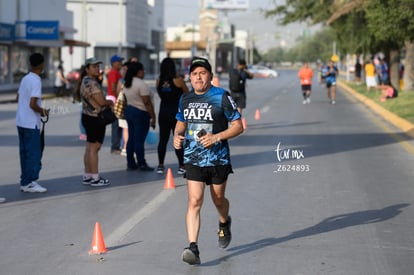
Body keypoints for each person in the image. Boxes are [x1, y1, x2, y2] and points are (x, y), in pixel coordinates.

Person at [173, 56, 244, 265]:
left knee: (218, 200)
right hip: (193, 158)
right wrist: (177, 135)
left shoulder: (221, 96)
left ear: (210, 76)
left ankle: (224, 222)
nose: (198, 77)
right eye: (194, 74)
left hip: (218, 159)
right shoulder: (185, 99)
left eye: (202, 73)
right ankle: (193, 247)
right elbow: (180, 121)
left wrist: (216, 137)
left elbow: (238, 126)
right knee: (194, 200)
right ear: (190, 77)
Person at [77, 57, 113, 187]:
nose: (97, 69)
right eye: (94, 67)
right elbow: (101, 102)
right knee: (94, 148)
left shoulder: (86, 81)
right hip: (94, 118)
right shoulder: (91, 83)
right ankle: (95, 178)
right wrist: (111, 102)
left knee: (89, 148)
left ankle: (88, 175)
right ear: (87, 69)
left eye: (98, 66)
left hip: (87, 116)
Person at [16, 53, 49, 193]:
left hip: (21, 121)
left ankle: (24, 181)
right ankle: (30, 182)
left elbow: (18, 97)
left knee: (24, 153)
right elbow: (32, 104)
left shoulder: (25, 78)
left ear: (30, 64)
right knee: (34, 154)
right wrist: (42, 111)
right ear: (42, 65)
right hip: (31, 123)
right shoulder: (36, 80)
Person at [156, 57, 189, 175]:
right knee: (178, 138)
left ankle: (160, 165)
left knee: (162, 140)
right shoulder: (178, 80)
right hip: (176, 113)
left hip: (163, 111)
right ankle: (182, 165)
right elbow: (187, 93)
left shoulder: (158, 80)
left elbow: (161, 94)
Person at [123, 62, 156, 171]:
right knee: (139, 140)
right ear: (138, 71)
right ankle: (142, 163)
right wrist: (153, 117)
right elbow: (147, 102)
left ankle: (130, 163)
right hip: (141, 112)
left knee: (131, 139)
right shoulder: (141, 84)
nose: (144, 72)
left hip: (129, 111)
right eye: (142, 70)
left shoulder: (127, 83)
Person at [107, 54, 124, 154]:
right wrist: (118, 101)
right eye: (119, 62)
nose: (120, 64)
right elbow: (113, 88)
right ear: (113, 63)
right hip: (115, 99)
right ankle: (115, 146)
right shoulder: (113, 73)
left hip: (117, 99)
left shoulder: (117, 72)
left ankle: (117, 145)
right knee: (116, 124)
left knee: (119, 124)